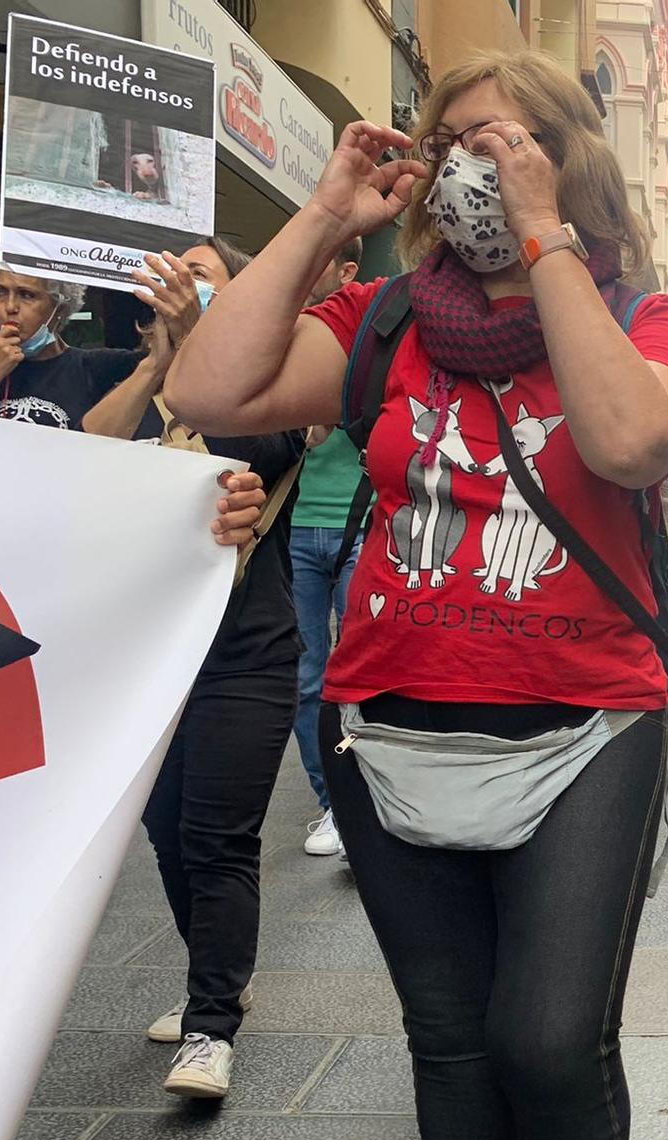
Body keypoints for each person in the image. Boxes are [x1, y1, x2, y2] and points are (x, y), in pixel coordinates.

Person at [165, 48, 668, 1140]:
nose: (476, 163)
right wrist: (330, 208)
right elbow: (214, 382)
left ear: (570, 158)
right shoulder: (385, 318)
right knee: (451, 1039)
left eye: (511, 142)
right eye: (456, 143)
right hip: (393, 721)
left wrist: (548, 241)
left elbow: (636, 440)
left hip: (588, 725)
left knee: (546, 1036)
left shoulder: (637, 313)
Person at [101, 238, 309, 1099]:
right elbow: (89, 449)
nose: (181, 286)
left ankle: (210, 1024)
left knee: (215, 836)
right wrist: (156, 364)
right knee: (163, 829)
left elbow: (256, 450)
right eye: (171, 276)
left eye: (203, 277)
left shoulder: (270, 384)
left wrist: (194, 350)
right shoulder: (123, 373)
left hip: (243, 652)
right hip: (146, 658)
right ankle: (218, 975)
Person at [283, 238, 367, 858]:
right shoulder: (288, 336)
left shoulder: (365, 334)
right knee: (307, 676)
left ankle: (367, 797)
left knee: (355, 672)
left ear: (347, 272)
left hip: (358, 525)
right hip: (292, 530)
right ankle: (332, 806)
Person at [0, 247, 172, 437]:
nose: (10, 307)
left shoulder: (94, 366)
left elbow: (170, 359)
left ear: (60, 307)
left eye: (27, 295)